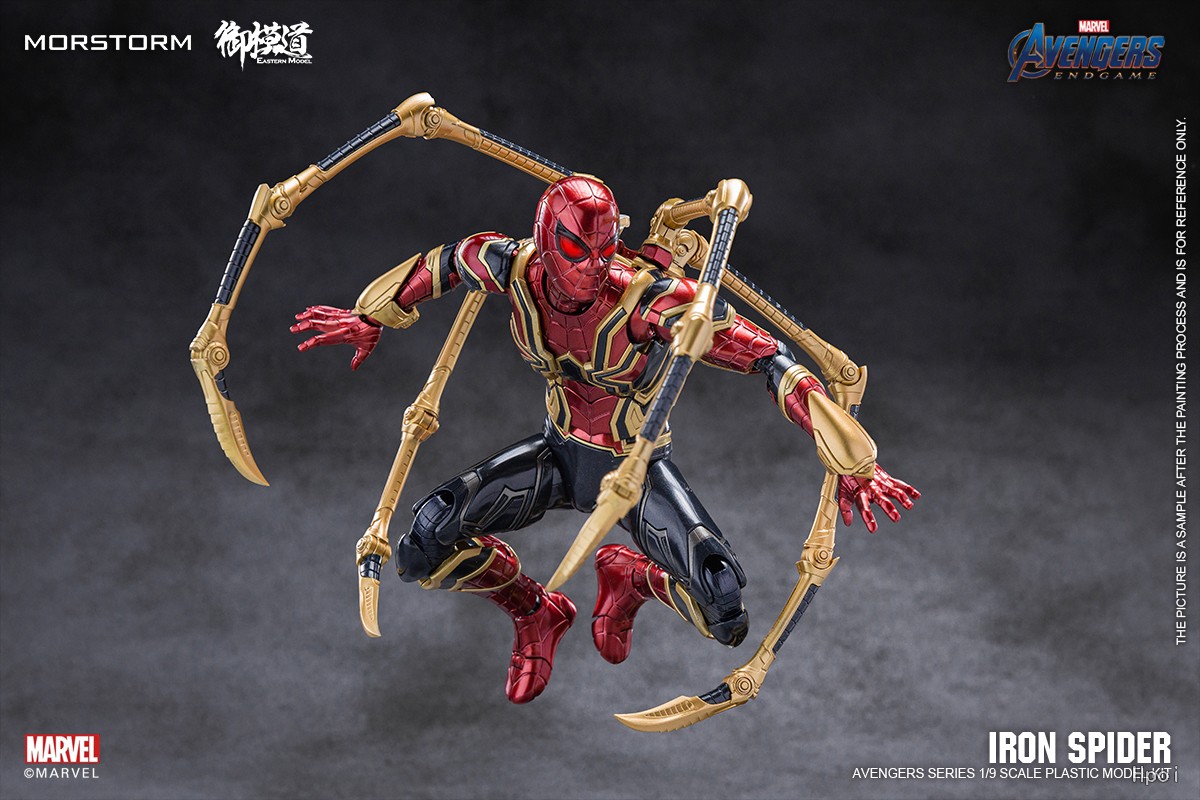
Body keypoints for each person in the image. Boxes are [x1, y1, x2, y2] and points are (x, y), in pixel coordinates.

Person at [291, 176, 919, 704]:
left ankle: (631, 578)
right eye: (576, 248)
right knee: (424, 544)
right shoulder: (511, 266)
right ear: (545, 239)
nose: (593, 265)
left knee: (724, 605)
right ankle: (533, 609)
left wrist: (852, 457)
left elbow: (769, 359)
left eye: (606, 247)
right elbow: (446, 262)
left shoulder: (648, 301)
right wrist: (370, 315)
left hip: (635, 470)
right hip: (558, 454)